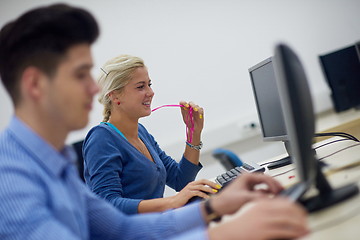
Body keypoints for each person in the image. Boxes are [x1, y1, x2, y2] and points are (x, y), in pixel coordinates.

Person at [0, 3, 309, 240]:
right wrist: (221, 232)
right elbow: (119, 211)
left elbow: (120, 228)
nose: (95, 89)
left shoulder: (56, 161)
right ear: (35, 85)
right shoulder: (11, 179)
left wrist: (212, 208)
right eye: (81, 75)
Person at [83, 54, 218, 214]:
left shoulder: (141, 132)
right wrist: (171, 202)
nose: (151, 92)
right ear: (115, 95)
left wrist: (193, 133)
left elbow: (180, 180)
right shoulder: (101, 138)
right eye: (141, 87)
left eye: (149, 84)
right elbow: (109, 205)